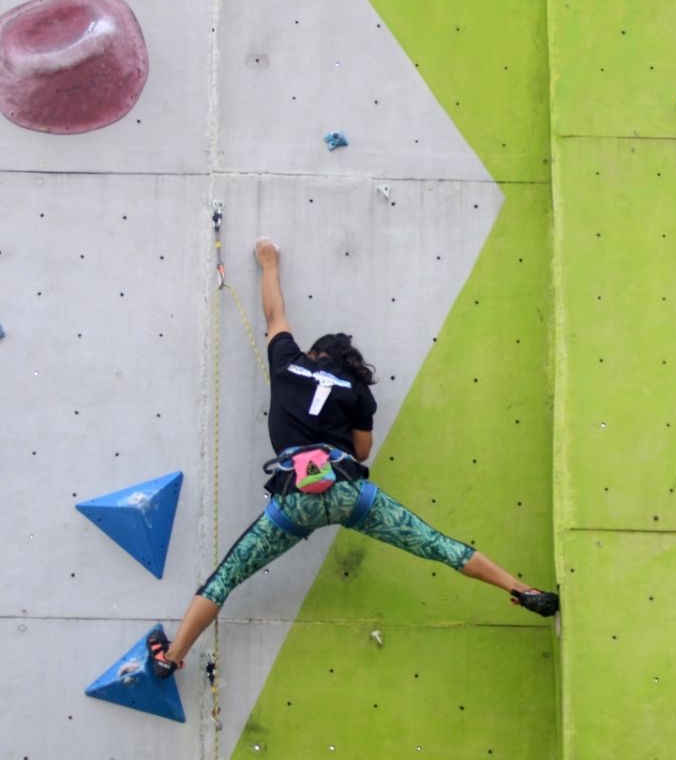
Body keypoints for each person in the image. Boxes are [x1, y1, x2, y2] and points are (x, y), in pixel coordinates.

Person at [148, 238, 558, 678]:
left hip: (295, 496)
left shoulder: (287, 360)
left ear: (312, 353)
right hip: (349, 491)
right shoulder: (358, 392)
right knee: (436, 545)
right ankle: (522, 588)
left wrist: (268, 262)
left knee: (225, 580)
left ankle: (169, 659)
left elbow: (275, 315)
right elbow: (363, 452)